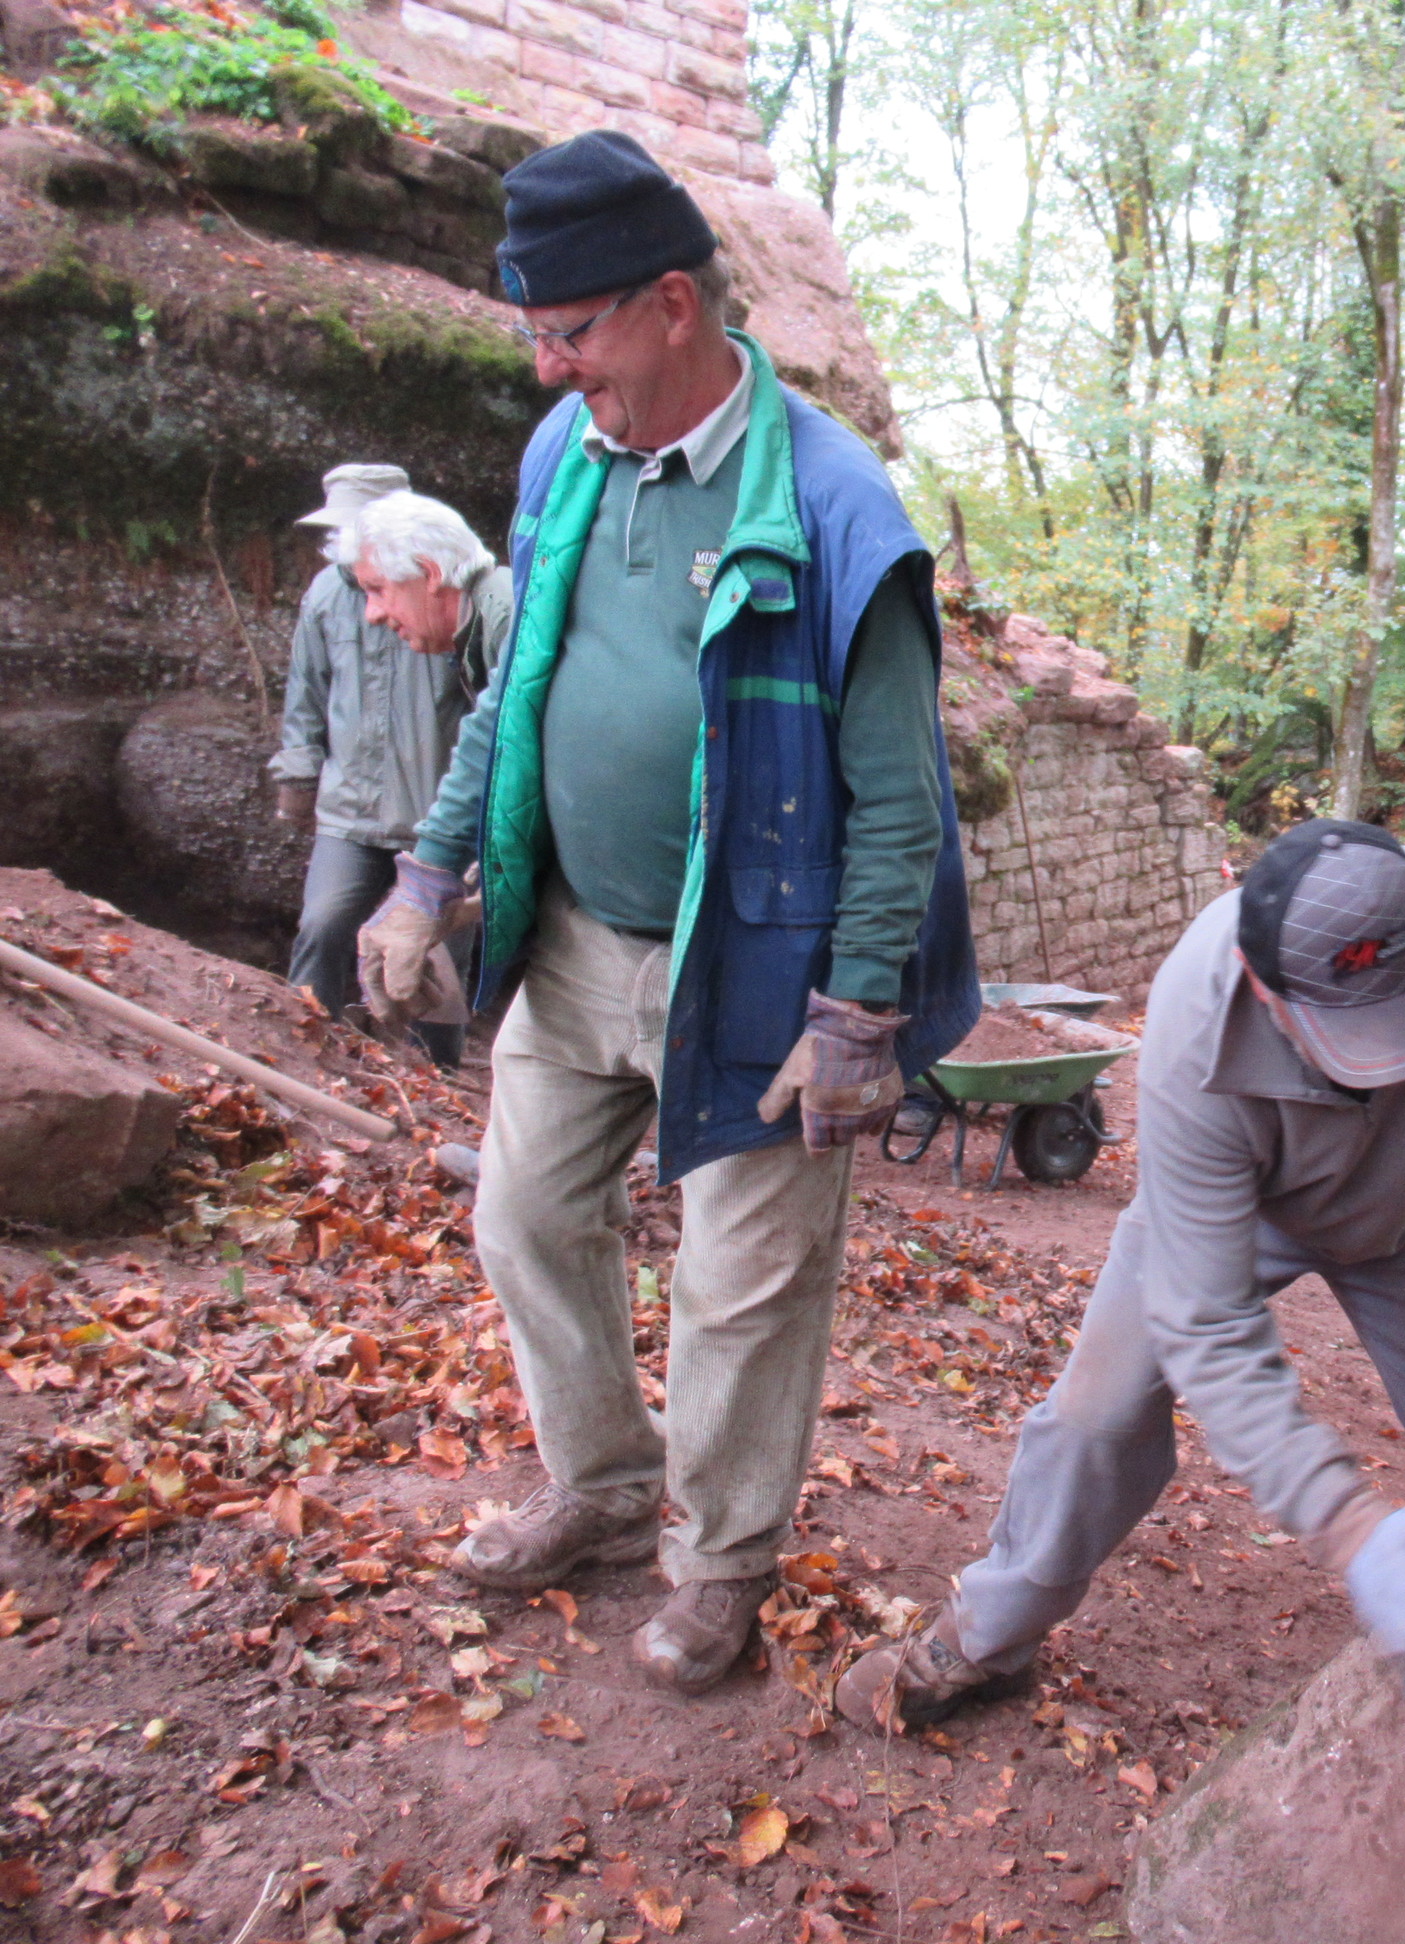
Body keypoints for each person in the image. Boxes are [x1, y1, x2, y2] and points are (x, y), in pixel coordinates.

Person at [356, 131, 980, 1693]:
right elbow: (515, 692)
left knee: (740, 1290)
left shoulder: (833, 507)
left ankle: (718, 1566)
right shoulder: (566, 457)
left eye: (570, 333)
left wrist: (861, 1010)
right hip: (575, 939)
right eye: (536, 336)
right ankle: (604, 1484)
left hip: (760, 968)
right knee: (523, 1216)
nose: (550, 369)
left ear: (675, 304)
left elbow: (902, 796)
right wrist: (429, 874)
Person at [840, 818, 1405, 1728]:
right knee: (1094, 1419)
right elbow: (1207, 1322)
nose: (1377, 1072)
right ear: (1262, 984)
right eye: (1349, 1039)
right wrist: (1350, 1529)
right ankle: (985, 1640)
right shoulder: (1194, 1021)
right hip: (1233, 1213)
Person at [268, 463, 494, 1067]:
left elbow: (491, 709)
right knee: (322, 925)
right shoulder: (325, 595)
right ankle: (307, 1051)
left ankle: (437, 1073)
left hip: (435, 815)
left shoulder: (449, 599)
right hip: (351, 811)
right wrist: (298, 771)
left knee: (439, 954)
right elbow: (306, 691)